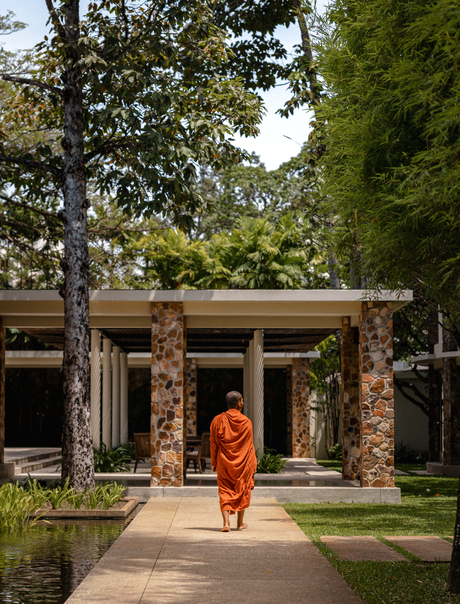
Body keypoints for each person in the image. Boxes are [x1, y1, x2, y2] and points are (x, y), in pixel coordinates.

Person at [210, 390, 258, 532]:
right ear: (238, 403)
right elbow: (249, 445)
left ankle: (226, 523)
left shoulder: (217, 420)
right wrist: (253, 463)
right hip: (243, 463)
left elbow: (213, 443)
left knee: (224, 490)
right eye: (242, 400)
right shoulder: (246, 422)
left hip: (224, 463)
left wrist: (213, 462)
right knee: (242, 489)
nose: (243, 403)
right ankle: (240, 522)